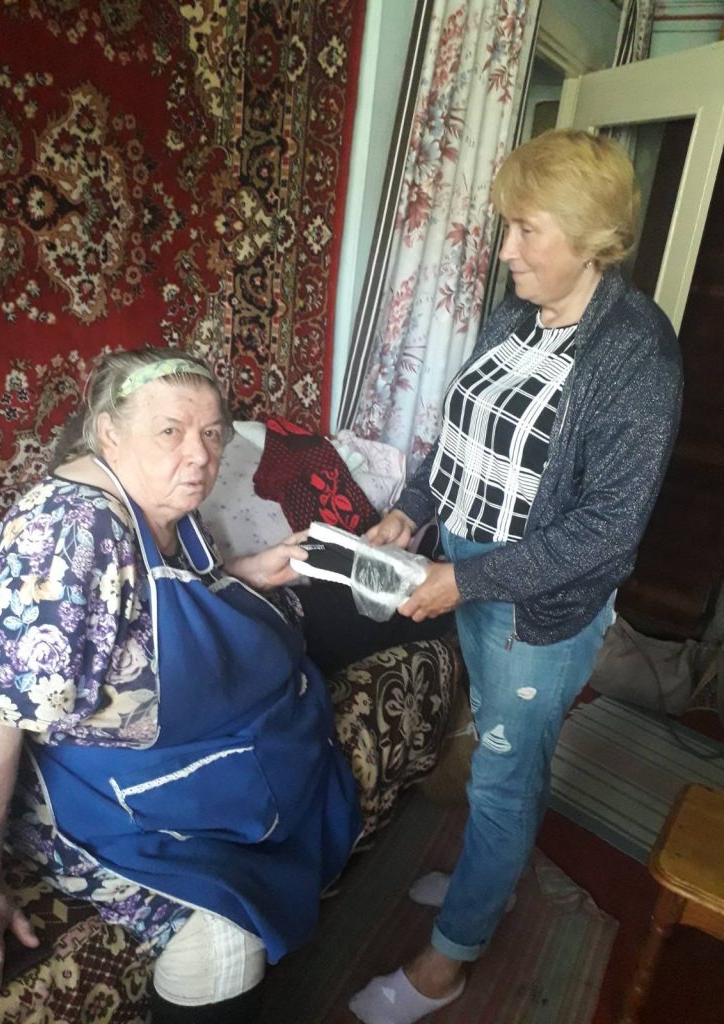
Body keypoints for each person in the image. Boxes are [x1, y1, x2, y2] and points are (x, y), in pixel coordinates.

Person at [349, 129, 684, 1024]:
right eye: (508, 226)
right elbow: (463, 432)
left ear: (592, 239)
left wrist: (465, 582)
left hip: (537, 606)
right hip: (464, 566)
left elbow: (606, 535)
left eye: (528, 230)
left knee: (504, 774)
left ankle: (448, 962)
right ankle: (485, 885)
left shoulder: (637, 358)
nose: (506, 250)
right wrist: (412, 511)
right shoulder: (517, 314)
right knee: (504, 747)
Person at [0, 347, 377, 1024]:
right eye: (171, 431)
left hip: (178, 748)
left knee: (363, 609)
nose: (200, 456)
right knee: (224, 942)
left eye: (212, 433)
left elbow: (156, 608)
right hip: (93, 789)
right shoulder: (66, 535)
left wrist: (245, 571)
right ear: (108, 432)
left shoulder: (158, 500)